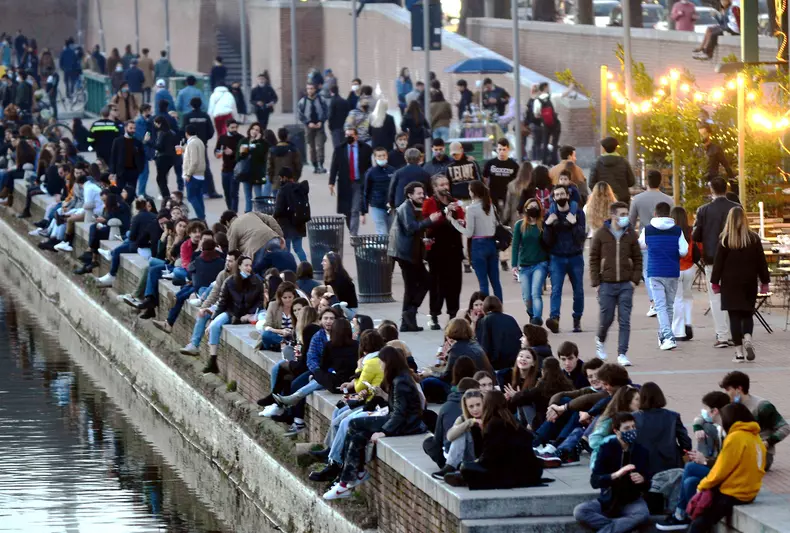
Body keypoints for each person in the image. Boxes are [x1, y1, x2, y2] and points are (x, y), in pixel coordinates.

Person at [323, 345, 427, 499]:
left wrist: (384, 431)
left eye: (381, 362)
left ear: (388, 362)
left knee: (354, 424)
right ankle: (349, 478)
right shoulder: (400, 378)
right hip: (403, 421)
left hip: (407, 425)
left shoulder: (401, 382)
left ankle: (347, 479)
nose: (380, 365)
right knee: (359, 435)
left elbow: (400, 413)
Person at [688, 403, 766, 533]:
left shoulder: (735, 437)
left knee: (699, 523)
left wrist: (702, 486)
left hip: (734, 493)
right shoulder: (755, 437)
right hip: (750, 492)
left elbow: (721, 469)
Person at [443, 391, 544, 489]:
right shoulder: (511, 420)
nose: (476, 409)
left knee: (465, 467)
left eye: (480, 404)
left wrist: (475, 463)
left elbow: (488, 458)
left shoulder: (494, 424)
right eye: (471, 406)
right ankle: (461, 475)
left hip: (512, 474)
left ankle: (464, 478)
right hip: (532, 472)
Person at [573, 412, 651, 533]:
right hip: (608, 500)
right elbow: (595, 481)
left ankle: (610, 529)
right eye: (626, 428)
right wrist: (616, 475)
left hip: (631, 500)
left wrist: (643, 479)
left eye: (633, 427)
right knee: (580, 511)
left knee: (642, 514)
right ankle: (622, 528)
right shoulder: (606, 449)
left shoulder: (641, 451)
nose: (631, 431)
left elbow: (649, 483)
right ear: (616, 431)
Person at [710, 208, 769, 362]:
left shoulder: (725, 239)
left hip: (730, 283)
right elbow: (761, 262)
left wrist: (715, 282)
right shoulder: (754, 238)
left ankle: (739, 353)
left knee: (734, 316)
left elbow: (718, 264)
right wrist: (765, 281)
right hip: (749, 281)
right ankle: (748, 337)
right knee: (747, 313)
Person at [589, 201, 642, 366]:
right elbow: (593, 258)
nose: (626, 217)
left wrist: (634, 280)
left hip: (626, 284)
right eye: (622, 214)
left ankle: (622, 353)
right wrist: (596, 282)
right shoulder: (601, 234)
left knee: (624, 319)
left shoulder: (631, 234)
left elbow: (638, 258)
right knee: (607, 318)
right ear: (613, 215)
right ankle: (600, 339)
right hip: (606, 284)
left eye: (627, 214)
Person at [388, 181, 441, 331]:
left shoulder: (412, 206)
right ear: (410, 195)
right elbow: (411, 228)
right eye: (418, 193)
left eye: (422, 193)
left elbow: (412, 231)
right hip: (405, 253)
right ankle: (409, 313)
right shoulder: (406, 207)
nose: (422, 196)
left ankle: (406, 322)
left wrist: (424, 239)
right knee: (425, 282)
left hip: (410, 252)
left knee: (412, 287)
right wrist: (430, 220)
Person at [692, 177, 739, 348]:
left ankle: (722, 335)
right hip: (735, 257)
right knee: (733, 296)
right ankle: (736, 334)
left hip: (712, 258)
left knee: (716, 297)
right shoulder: (736, 208)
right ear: (726, 189)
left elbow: (696, 235)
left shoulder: (704, 210)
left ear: (711, 190)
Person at [202, 254, 263, 374]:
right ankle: (212, 359)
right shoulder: (229, 282)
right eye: (246, 265)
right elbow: (222, 302)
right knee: (214, 326)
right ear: (239, 266)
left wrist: (250, 314)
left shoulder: (257, 281)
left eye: (250, 265)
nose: (249, 268)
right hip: (231, 312)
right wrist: (213, 319)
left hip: (249, 314)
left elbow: (260, 302)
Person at [639, 202, 688, 351]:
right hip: (672, 271)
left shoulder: (647, 230)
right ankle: (665, 334)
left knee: (660, 306)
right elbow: (684, 251)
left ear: (655, 213)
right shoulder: (677, 231)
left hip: (655, 271)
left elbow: (641, 244)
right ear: (669, 214)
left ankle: (668, 336)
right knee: (668, 306)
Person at [719, 371, 788, 472]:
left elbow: (785, 427)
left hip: (760, 454)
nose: (726, 393)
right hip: (738, 451)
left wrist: (768, 442)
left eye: (728, 389)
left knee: (724, 467)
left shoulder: (761, 406)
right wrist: (698, 426)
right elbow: (707, 412)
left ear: (739, 389)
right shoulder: (729, 406)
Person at [423, 174, 465, 329]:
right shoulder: (429, 203)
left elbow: (461, 220)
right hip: (437, 249)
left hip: (454, 247)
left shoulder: (455, 202)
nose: (445, 187)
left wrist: (460, 219)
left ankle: (453, 314)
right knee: (437, 283)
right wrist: (445, 213)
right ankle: (434, 315)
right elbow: (429, 223)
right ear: (434, 187)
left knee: (454, 283)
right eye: (441, 185)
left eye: (446, 184)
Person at [629, 169, 674, 317]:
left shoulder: (637, 199)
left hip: (647, 238)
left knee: (648, 272)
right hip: (667, 239)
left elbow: (630, 221)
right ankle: (666, 301)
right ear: (661, 181)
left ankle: (654, 302)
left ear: (646, 181)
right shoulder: (669, 200)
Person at [448, 181, 502, 301]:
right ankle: (499, 306)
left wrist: (454, 222)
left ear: (473, 192)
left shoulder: (471, 208)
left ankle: (486, 308)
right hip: (492, 244)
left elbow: (468, 233)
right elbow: (496, 224)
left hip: (478, 245)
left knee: (483, 283)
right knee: (496, 282)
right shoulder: (490, 205)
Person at [543, 184, 586, 334]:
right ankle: (554, 319)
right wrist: (548, 225)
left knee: (578, 291)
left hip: (575, 257)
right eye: (557, 195)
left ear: (568, 196)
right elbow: (546, 241)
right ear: (553, 198)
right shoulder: (549, 215)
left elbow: (581, 237)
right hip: (557, 257)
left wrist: (573, 223)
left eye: (563, 194)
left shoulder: (578, 213)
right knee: (556, 290)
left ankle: (577, 320)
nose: (560, 197)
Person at [421, 318, 493, 402]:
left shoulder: (456, 349)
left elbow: (446, 376)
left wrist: (430, 373)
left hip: (468, 386)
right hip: (482, 380)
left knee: (428, 381)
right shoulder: (474, 343)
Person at [428, 386, 484, 478]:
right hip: (469, 458)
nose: (475, 409)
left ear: (483, 403)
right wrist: (469, 422)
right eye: (471, 406)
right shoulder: (462, 419)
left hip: (484, 458)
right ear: (466, 407)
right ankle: (450, 467)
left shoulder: (489, 417)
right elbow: (450, 436)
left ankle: (454, 468)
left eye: (478, 405)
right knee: (460, 431)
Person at [511, 197, 549, 325]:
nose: (533, 209)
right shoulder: (519, 225)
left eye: (535, 207)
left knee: (535, 292)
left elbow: (549, 244)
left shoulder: (543, 225)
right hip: (524, 265)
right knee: (527, 297)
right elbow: (515, 245)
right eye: (530, 207)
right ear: (526, 209)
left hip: (540, 263)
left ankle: (537, 319)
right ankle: (532, 314)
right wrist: (513, 265)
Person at [328, 127, 372, 236]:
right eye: (347, 135)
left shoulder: (365, 148)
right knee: (347, 211)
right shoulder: (339, 149)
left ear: (356, 136)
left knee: (355, 209)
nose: (349, 137)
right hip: (344, 183)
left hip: (358, 182)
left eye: (351, 135)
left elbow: (369, 166)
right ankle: (352, 228)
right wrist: (331, 182)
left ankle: (353, 234)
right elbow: (334, 166)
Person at [181, 96, 221, 199]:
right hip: (203, 144)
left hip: (190, 145)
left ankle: (193, 190)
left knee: (189, 165)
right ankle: (210, 191)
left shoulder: (187, 116)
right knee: (205, 167)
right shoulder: (205, 116)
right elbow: (211, 131)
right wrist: (205, 139)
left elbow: (182, 131)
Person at [670, 206, 697, 341]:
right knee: (687, 297)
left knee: (677, 299)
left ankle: (679, 330)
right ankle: (688, 324)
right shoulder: (691, 231)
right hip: (690, 267)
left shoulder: (671, 232)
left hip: (675, 268)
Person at [475, 296, 521, 371]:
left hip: (495, 363)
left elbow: (482, 345)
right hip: (513, 360)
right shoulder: (510, 318)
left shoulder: (483, 321)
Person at [274, 167, 309, 262]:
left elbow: (278, 210)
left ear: (285, 177)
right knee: (298, 248)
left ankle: (288, 269)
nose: (280, 180)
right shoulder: (300, 188)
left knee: (286, 250)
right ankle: (306, 266)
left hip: (286, 225)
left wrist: (274, 218)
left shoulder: (283, 190)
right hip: (299, 223)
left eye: (281, 178)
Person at [589, 137, 636, 205]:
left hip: (603, 199)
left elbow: (591, 183)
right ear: (616, 147)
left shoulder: (597, 163)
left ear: (604, 148)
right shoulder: (624, 162)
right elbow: (631, 182)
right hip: (622, 199)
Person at [235, 121, 270, 213]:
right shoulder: (243, 141)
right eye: (253, 129)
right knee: (248, 197)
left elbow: (261, 155)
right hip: (245, 173)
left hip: (257, 174)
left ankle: (261, 214)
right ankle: (248, 214)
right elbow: (238, 157)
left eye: (257, 130)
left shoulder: (263, 143)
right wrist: (246, 150)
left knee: (258, 197)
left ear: (260, 133)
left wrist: (255, 142)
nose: (254, 131)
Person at [362, 146, 396, 235]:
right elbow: (366, 191)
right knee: (382, 231)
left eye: (383, 155)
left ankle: (389, 248)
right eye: (379, 156)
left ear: (387, 156)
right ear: (375, 158)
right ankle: (382, 248)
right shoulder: (371, 173)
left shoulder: (392, 170)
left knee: (391, 231)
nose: (382, 158)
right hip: (377, 206)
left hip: (390, 206)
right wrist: (363, 211)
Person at [109, 120, 145, 198]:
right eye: (131, 128)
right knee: (119, 191)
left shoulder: (138, 142)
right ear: (125, 128)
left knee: (131, 192)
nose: (133, 130)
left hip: (133, 172)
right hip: (121, 172)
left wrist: (140, 169)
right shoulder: (117, 141)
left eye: (134, 128)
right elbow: (113, 157)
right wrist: (112, 172)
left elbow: (142, 156)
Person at [297, 83, 328, 174]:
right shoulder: (303, 101)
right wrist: (308, 122)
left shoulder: (321, 99)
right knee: (311, 147)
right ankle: (314, 165)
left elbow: (326, 111)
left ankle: (321, 165)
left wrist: (321, 121)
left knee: (320, 146)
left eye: (311, 88)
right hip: (309, 127)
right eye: (308, 89)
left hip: (319, 126)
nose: (310, 90)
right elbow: (300, 114)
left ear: (315, 89)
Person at [215, 119, 243, 210]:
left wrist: (233, 152)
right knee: (227, 193)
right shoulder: (222, 138)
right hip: (225, 169)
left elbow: (244, 154)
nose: (234, 129)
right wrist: (217, 153)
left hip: (236, 170)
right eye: (232, 127)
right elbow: (217, 149)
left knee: (234, 193)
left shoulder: (241, 138)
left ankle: (234, 213)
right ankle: (230, 211)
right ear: (227, 128)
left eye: (236, 127)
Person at [182, 124, 207, 221]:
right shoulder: (199, 141)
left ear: (186, 133)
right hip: (200, 174)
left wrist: (188, 173)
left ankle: (201, 218)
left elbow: (194, 161)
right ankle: (202, 216)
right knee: (198, 197)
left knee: (191, 197)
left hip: (193, 174)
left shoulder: (191, 143)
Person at [532, 82, 561, 165]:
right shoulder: (552, 96)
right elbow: (563, 94)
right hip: (555, 123)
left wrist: (543, 115)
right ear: (545, 87)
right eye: (548, 87)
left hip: (545, 124)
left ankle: (544, 162)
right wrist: (571, 87)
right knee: (555, 143)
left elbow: (536, 115)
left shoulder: (537, 100)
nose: (549, 88)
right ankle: (554, 161)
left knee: (545, 142)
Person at [700, 123, 736, 189]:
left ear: (709, 134)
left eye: (704, 133)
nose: (701, 136)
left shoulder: (716, 149)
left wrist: (733, 184)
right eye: (700, 134)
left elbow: (726, 165)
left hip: (713, 184)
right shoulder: (697, 150)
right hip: (699, 184)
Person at [326, 84, 350, 151]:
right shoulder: (344, 101)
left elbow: (330, 115)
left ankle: (338, 160)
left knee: (337, 147)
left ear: (331, 92)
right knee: (344, 146)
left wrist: (330, 126)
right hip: (344, 127)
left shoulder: (333, 101)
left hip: (335, 128)